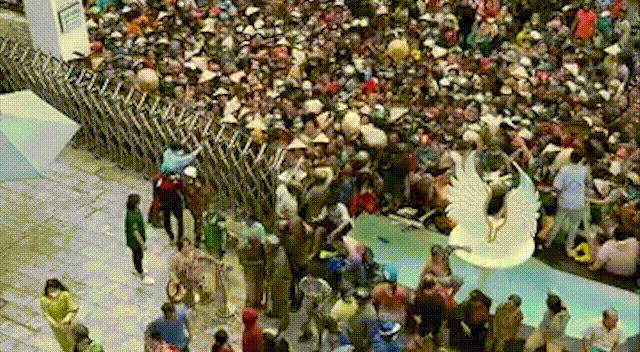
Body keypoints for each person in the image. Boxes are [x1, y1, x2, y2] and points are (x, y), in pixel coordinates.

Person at [545, 150, 592, 258]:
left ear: (570, 158)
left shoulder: (564, 170)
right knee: (574, 226)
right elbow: (588, 183)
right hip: (579, 203)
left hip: (565, 202)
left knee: (557, 224)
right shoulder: (584, 170)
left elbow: (557, 186)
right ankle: (569, 248)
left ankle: (548, 242)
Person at [299, 259, 333, 350]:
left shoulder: (324, 285)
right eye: (311, 278)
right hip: (308, 302)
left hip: (319, 304)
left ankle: (320, 343)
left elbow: (328, 295)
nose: (312, 282)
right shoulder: (304, 282)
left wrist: (321, 305)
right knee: (306, 319)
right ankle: (307, 334)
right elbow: (302, 290)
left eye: (314, 279)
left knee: (319, 324)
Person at [40, 279, 79, 352]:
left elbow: (73, 309)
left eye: (54, 289)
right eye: (50, 290)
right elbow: (46, 314)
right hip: (57, 327)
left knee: (75, 341)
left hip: (70, 323)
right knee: (64, 344)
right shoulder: (44, 300)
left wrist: (66, 319)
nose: (52, 292)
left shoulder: (65, 295)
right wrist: (54, 324)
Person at [407, 276, 446, 349]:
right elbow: (443, 317)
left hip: (423, 326)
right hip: (435, 326)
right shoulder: (440, 299)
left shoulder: (419, 299)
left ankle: (418, 343)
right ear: (433, 287)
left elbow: (414, 312)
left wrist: (411, 303)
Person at [263, 234, 292, 331]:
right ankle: (275, 312)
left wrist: (269, 282)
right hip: (275, 282)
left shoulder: (280, 258)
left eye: (267, 245)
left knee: (282, 302)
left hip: (282, 282)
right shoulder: (272, 252)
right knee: (275, 299)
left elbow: (278, 275)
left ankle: (284, 321)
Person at [125, 193, 154, 285]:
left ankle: (137, 268)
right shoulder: (132, 216)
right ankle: (141, 274)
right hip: (135, 242)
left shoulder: (135, 211)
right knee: (138, 255)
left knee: (138, 255)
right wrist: (142, 243)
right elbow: (135, 232)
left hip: (137, 240)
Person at [181, 165, 213, 247]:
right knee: (197, 222)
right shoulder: (188, 185)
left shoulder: (200, 185)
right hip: (194, 207)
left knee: (199, 223)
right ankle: (199, 238)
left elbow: (206, 195)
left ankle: (199, 240)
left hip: (199, 206)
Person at [238, 233, 266, 308]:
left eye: (257, 241)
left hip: (260, 271)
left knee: (259, 288)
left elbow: (265, 257)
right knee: (251, 289)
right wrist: (257, 263)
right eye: (255, 242)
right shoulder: (243, 248)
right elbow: (242, 262)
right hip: (249, 271)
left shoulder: (262, 245)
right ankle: (250, 304)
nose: (257, 244)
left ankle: (258, 302)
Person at [157, 171, 185, 244]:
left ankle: (178, 236)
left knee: (177, 219)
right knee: (169, 219)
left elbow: (180, 187)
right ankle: (173, 235)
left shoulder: (174, 180)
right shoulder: (163, 180)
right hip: (168, 201)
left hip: (172, 200)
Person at [349, 287, 379, 352]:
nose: (358, 301)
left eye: (360, 299)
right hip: (356, 344)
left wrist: (363, 347)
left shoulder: (370, 314)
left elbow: (371, 335)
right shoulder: (360, 309)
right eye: (357, 298)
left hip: (363, 348)